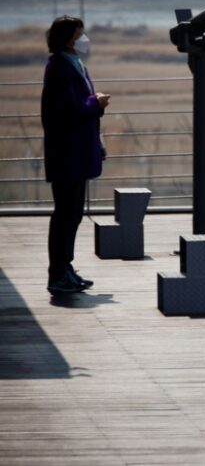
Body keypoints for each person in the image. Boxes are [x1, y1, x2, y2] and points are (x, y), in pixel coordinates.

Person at [41, 16, 110, 294]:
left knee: (73, 213)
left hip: (78, 151)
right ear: (69, 38)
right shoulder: (58, 67)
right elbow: (69, 109)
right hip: (67, 152)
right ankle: (57, 273)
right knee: (65, 214)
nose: (84, 39)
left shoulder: (74, 64)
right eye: (80, 34)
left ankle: (66, 268)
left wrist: (94, 105)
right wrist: (96, 102)